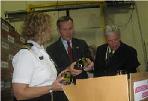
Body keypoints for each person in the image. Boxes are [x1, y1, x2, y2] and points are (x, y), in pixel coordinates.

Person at [12, 13, 75, 101]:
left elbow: (48, 80)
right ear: (40, 30)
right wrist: (51, 87)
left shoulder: (41, 51)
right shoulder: (26, 54)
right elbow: (19, 93)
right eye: (48, 27)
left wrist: (69, 70)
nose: (50, 30)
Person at [46, 16, 94, 101]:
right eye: (64, 29)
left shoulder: (82, 44)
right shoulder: (51, 49)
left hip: (83, 90)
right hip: (63, 92)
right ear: (58, 30)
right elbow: (52, 73)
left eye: (70, 28)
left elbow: (90, 61)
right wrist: (69, 71)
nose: (68, 32)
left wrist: (91, 66)